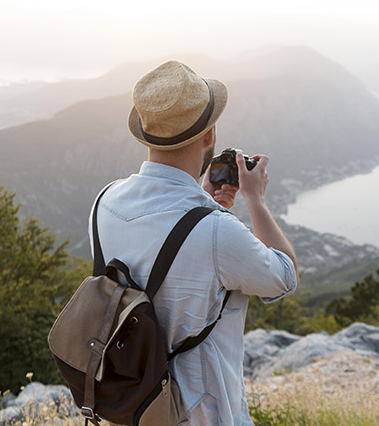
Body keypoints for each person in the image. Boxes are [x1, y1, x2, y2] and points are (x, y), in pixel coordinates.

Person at [89, 60, 299, 426]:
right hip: (202, 412)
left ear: (146, 135)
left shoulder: (104, 202)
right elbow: (284, 275)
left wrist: (200, 204)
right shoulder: (216, 231)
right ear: (209, 135)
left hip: (130, 405)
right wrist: (256, 199)